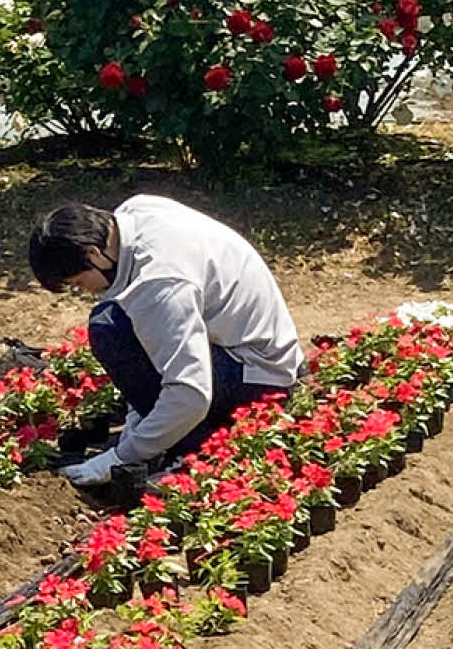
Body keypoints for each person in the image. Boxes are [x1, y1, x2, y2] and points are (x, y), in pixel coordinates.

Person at [26, 197, 304, 486]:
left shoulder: (159, 283)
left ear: (93, 254)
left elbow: (191, 394)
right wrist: (138, 410)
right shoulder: (136, 212)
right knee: (112, 319)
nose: (85, 291)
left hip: (260, 377)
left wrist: (121, 456)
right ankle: (170, 435)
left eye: (79, 283)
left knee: (108, 331)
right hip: (263, 347)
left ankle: (191, 452)